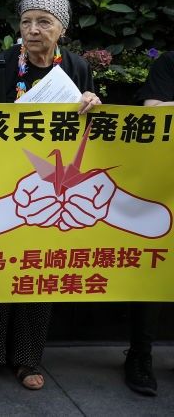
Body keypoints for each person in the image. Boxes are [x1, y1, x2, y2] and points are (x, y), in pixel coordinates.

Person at [0, 0, 101, 394]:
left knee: (41, 268)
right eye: (26, 21)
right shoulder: (1, 66)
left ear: (62, 30)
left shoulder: (76, 68)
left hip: (55, 189)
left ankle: (27, 356)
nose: (33, 30)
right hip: (2, 182)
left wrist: (94, 101)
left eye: (43, 22)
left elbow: (91, 130)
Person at [122, 50, 174, 396]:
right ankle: (140, 356)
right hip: (165, 185)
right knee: (156, 271)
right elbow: (153, 112)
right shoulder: (169, 62)